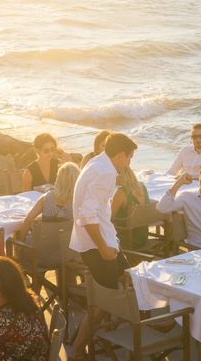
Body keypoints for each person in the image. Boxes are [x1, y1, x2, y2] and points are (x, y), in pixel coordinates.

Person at [68, 133, 137, 360]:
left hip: (104, 239)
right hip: (97, 245)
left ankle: (130, 329)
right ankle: (78, 349)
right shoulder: (106, 172)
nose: (129, 163)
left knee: (129, 278)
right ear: (120, 155)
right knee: (102, 303)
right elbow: (86, 214)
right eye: (129, 158)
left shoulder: (96, 162)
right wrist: (104, 248)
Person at [17, 162, 80, 267]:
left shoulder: (46, 198)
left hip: (41, 255)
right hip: (67, 255)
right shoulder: (78, 202)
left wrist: (21, 240)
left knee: (24, 244)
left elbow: (28, 220)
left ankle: (35, 280)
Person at [112, 166, 150, 249]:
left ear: (119, 177)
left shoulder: (121, 193)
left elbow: (109, 217)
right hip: (143, 237)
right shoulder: (142, 186)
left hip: (127, 239)